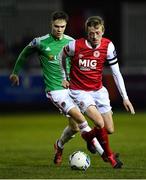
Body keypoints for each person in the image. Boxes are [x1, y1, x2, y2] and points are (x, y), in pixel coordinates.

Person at [9, 11, 121, 169]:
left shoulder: (71, 42)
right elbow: (24, 53)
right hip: (56, 90)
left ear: (66, 26)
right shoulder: (40, 42)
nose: (59, 29)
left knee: (74, 128)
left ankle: (59, 146)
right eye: (56, 26)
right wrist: (15, 72)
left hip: (73, 87)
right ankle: (105, 154)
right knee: (82, 121)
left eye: (62, 26)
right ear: (51, 25)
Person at [58, 15, 135, 168]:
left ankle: (87, 136)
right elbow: (62, 55)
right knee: (99, 123)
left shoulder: (108, 46)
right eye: (91, 33)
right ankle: (110, 158)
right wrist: (64, 76)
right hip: (79, 91)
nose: (94, 36)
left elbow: (116, 73)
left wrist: (125, 98)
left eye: (98, 32)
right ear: (87, 32)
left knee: (110, 129)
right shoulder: (75, 45)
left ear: (103, 31)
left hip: (98, 91)